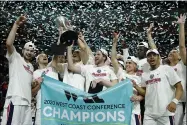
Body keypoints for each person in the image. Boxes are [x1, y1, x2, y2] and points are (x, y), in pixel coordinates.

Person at [133, 49, 183, 125]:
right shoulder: (144, 74)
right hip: (149, 114)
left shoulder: (167, 69)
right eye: (149, 56)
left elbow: (179, 88)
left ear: (159, 57)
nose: (152, 57)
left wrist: (175, 101)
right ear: (147, 59)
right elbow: (145, 93)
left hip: (165, 113)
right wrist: (136, 86)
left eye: (154, 55)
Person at [2, 15, 36, 125]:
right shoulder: (15, 58)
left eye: (32, 51)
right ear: (22, 50)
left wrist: (37, 83)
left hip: (27, 104)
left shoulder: (31, 67)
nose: (29, 52)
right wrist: (16, 24)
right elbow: (8, 43)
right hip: (15, 101)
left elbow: (29, 87)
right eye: (27, 49)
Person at [111, 32, 143, 125]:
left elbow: (144, 93)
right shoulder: (121, 73)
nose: (128, 64)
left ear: (136, 66)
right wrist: (115, 42)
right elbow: (113, 58)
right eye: (127, 63)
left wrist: (138, 97)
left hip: (134, 110)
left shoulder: (139, 78)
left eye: (130, 63)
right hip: (120, 109)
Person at [167, 14, 186, 125]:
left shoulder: (183, 64)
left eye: (175, 51)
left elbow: (182, 46)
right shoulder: (165, 68)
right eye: (170, 52)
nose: (172, 52)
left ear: (180, 56)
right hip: (175, 102)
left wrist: (181, 26)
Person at [32, 53, 59, 125]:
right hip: (42, 106)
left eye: (46, 56)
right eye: (42, 56)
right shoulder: (34, 73)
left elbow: (56, 56)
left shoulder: (53, 68)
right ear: (37, 60)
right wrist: (40, 84)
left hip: (56, 106)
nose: (45, 56)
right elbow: (32, 93)